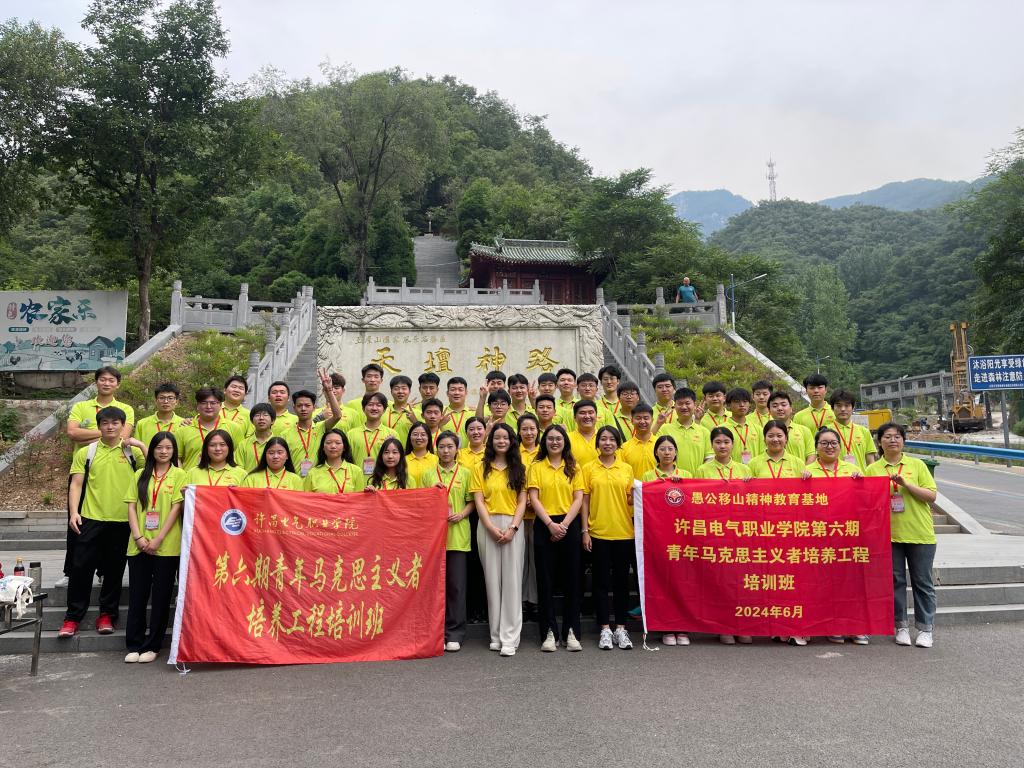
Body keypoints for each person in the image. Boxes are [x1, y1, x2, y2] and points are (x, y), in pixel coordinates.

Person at [58, 407, 146, 639]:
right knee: (80, 569)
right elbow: (76, 484)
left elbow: (153, 471)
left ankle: (107, 615)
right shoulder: (87, 452)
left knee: (114, 570)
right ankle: (72, 617)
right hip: (91, 518)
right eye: (105, 423)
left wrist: (141, 445)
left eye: (115, 423)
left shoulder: (132, 452)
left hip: (123, 520)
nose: (110, 427)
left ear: (123, 425)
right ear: (99, 426)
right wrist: (73, 512)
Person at [60, 365, 136, 587]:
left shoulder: (126, 409)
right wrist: (105, 434)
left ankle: (104, 571)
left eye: (111, 380)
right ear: (96, 382)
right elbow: (72, 432)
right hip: (84, 468)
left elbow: (123, 437)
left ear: (118, 384)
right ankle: (71, 571)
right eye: (102, 379)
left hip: (111, 471)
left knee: (108, 528)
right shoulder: (81, 406)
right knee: (77, 523)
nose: (107, 383)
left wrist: (89, 434)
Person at [866, 422, 938, 649]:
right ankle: (901, 627)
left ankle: (925, 629)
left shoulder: (917, 465)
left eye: (897, 436)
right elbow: (866, 501)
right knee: (895, 582)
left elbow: (931, 496)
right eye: (887, 436)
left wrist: (906, 484)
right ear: (879, 442)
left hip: (919, 532)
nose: (892, 440)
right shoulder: (873, 469)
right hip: (888, 535)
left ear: (904, 441)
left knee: (923, 582)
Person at [124, 431, 187, 663]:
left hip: (167, 546)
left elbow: (176, 509)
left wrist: (159, 538)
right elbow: (131, 507)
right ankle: (134, 644)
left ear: (174, 451)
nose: (163, 451)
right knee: (137, 596)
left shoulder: (180, 474)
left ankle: (153, 645)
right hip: (138, 544)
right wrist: (138, 537)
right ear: (152, 450)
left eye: (168, 448)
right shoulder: (140, 474)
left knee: (161, 597)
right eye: (159, 447)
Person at [471, 423, 528, 656]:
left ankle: (510, 637)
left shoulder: (520, 468)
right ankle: (495, 635)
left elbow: (522, 501)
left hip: (513, 525)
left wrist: (513, 527)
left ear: (512, 441)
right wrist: (490, 527)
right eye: (497, 438)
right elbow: (479, 500)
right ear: (491, 441)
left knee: (512, 582)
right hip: (488, 525)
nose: (501, 441)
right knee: (492, 582)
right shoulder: (480, 467)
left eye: (505, 438)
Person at [528, 424, 584, 652]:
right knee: (545, 581)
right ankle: (549, 633)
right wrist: (550, 525)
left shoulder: (574, 467)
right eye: (550, 438)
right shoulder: (536, 466)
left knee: (572, 581)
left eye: (558, 439)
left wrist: (564, 525)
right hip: (544, 524)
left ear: (565, 442)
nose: (554, 442)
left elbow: (578, 499)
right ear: (544, 442)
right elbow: (534, 497)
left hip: (569, 524)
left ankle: (572, 632)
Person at [695, 426, 751, 644]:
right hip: (715, 531)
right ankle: (724, 626)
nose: (722, 446)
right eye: (718, 442)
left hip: (740, 531)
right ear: (712, 445)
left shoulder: (744, 469)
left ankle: (742, 625)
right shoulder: (703, 470)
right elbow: (697, 500)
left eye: (726, 442)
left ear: (733, 445)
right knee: (720, 581)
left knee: (741, 580)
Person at [582, 425, 636, 650]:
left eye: (612, 439)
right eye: (603, 439)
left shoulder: (626, 468)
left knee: (622, 583)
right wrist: (585, 530)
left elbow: (631, 499)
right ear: (598, 443)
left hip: (624, 532)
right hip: (598, 533)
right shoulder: (588, 468)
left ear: (617, 444)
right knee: (601, 583)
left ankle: (621, 628)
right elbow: (585, 501)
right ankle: (605, 628)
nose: (607, 443)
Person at [422, 431, 474, 652]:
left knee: (456, 587)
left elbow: (472, 501)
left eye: (450, 447)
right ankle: (436, 632)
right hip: (433, 538)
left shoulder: (466, 472)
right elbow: (421, 504)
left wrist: (462, 514)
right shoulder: (427, 474)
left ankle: (455, 632)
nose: (445, 451)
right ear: (436, 449)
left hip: (458, 536)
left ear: (456, 450)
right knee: (434, 588)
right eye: (442, 447)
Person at [640, 434, 692, 646]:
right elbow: (641, 501)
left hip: (683, 536)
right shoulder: (648, 475)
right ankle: (666, 627)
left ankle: (683, 627)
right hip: (658, 536)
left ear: (676, 452)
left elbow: (694, 503)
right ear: (656, 453)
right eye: (662, 449)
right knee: (662, 581)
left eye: (670, 448)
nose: (667, 452)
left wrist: (683, 486)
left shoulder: (687, 474)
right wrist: (658, 485)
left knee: (684, 582)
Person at [281, 371, 342, 477]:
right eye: (299, 406)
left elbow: (337, 416)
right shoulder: (285, 434)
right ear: (294, 408)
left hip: (318, 481)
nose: (303, 409)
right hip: (294, 482)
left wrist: (329, 390)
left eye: (307, 405)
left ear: (314, 408)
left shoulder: (321, 427)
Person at [178, 387, 245, 470]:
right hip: (191, 477)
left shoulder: (233, 428)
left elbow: (239, 456)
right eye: (204, 403)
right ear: (197, 405)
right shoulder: (184, 429)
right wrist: (183, 476)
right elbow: (177, 458)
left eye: (213, 403)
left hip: (223, 477)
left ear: (220, 405)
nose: (208, 406)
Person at [517, 413, 541, 619]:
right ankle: (519, 601)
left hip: (539, 515)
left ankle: (533, 599)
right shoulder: (513, 452)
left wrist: (535, 500)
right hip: (516, 515)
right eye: (524, 429)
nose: (528, 432)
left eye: (532, 428)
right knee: (519, 561)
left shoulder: (544, 452)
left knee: (535, 560)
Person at [659, 387, 713, 476]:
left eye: (687, 403)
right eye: (680, 404)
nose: (684, 407)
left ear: (694, 405)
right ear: (674, 406)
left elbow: (709, 458)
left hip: (697, 481)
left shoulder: (704, 432)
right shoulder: (664, 429)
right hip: (672, 480)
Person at [347, 392, 397, 478]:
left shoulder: (392, 434)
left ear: (384, 410)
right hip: (357, 481)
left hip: (382, 481)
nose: (374, 408)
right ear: (363, 408)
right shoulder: (351, 434)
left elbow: (397, 461)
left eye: (378, 405)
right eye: (370, 404)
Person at [829, 390, 878, 471]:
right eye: (839, 405)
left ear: (853, 407)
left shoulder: (864, 431)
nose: (843, 409)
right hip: (835, 477)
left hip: (859, 477)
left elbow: (870, 462)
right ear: (832, 408)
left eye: (847, 405)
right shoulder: (825, 432)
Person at [303, 428, 364, 493]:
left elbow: (360, 497)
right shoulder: (312, 473)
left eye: (338, 443)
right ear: (323, 447)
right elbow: (306, 498)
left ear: (344, 447)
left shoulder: (356, 471)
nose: (333, 446)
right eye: (328, 443)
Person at [768, 391, 815, 464]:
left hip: (800, 471)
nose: (780, 408)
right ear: (769, 411)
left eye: (783, 405)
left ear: (791, 408)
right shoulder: (765, 432)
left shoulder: (804, 431)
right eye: (775, 406)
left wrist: (805, 469)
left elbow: (811, 455)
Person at [134, 382, 185, 448]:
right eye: (162, 398)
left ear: (176, 401)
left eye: (170, 398)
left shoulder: (184, 424)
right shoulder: (142, 424)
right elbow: (136, 449)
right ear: (156, 400)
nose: (166, 401)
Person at [725, 388, 764, 465]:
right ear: (729, 405)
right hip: (731, 471)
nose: (742, 405)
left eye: (745, 401)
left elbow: (763, 454)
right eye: (737, 402)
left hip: (754, 471)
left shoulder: (758, 429)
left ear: (749, 404)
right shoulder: (721, 429)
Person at [619, 402, 658, 479]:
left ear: (652, 420)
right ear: (632, 421)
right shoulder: (624, 448)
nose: (642, 421)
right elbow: (622, 474)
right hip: (634, 486)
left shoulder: (660, 444)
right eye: (638, 418)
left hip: (657, 486)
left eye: (646, 418)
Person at [238, 403, 276, 472]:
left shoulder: (279, 444)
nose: (261, 418)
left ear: (272, 420)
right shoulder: (243, 444)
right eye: (257, 415)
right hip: (248, 479)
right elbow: (238, 470)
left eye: (265, 415)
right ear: (252, 421)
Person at [383, 375, 416, 444]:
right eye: (396, 388)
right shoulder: (383, 412)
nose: (400, 391)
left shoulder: (417, 413)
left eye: (404, 388)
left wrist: (415, 421)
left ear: (409, 391)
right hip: (387, 450)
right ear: (391, 391)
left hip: (409, 450)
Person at [567, 399, 600, 466]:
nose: (587, 416)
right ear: (574, 418)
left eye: (590, 412)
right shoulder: (566, 438)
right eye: (582, 413)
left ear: (596, 416)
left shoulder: (605, 439)